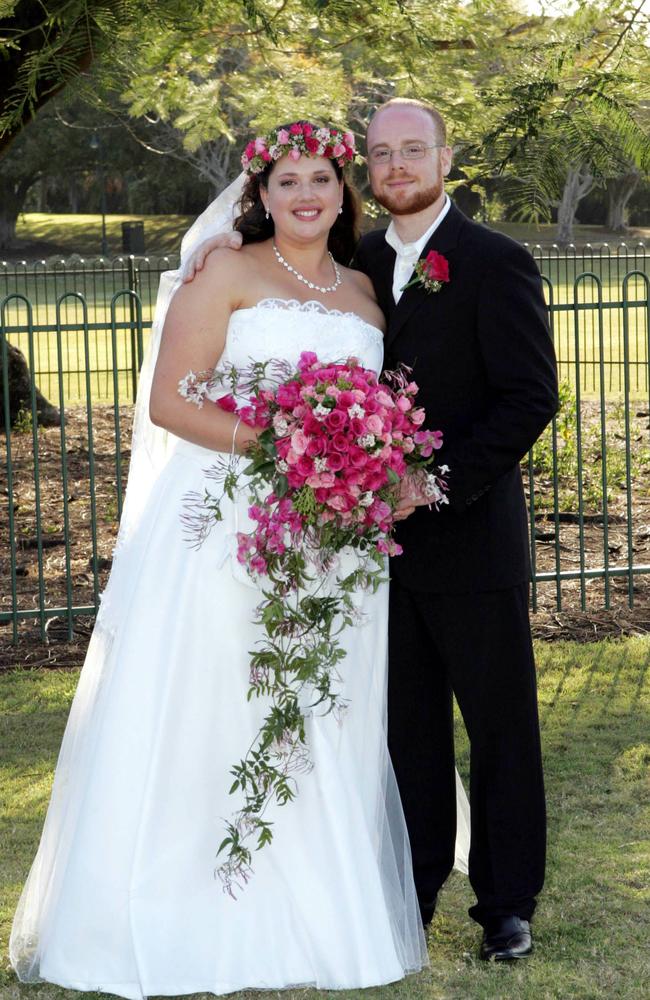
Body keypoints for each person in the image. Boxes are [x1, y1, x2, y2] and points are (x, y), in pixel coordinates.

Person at [10, 121, 473, 998]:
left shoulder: (370, 288)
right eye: (288, 180)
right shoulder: (221, 271)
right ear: (259, 195)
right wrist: (283, 452)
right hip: (223, 529)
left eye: (323, 180)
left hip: (333, 543)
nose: (306, 195)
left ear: (346, 194)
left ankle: (319, 917)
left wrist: (353, 465)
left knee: (320, 712)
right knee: (213, 701)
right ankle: (177, 906)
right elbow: (171, 403)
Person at [188, 98, 559, 963]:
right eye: (383, 154)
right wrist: (219, 249)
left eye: (412, 151)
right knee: (405, 730)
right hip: (360, 553)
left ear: (444, 156)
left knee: (498, 727)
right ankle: (414, 882)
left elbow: (530, 398)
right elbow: (280, 272)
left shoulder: (495, 261)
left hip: (467, 537)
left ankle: (506, 903)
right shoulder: (349, 264)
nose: (396, 166)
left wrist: (433, 484)